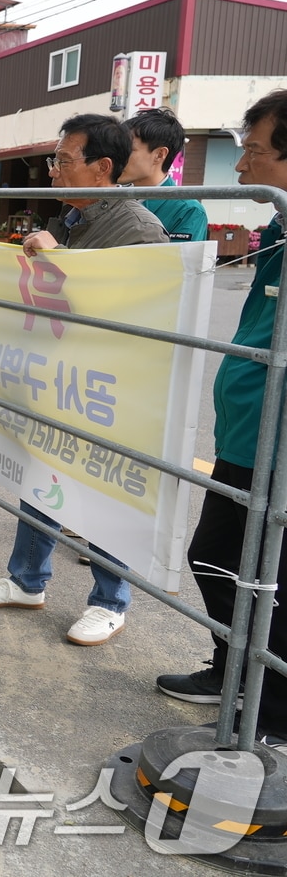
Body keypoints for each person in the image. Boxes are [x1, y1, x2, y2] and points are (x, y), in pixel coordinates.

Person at [0, 113, 169, 646]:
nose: (52, 170)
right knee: (41, 475)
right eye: (53, 159)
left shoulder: (139, 231)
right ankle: (26, 581)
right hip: (58, 381)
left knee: (103, 492)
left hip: (109, 390)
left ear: (102, 168)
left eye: (62, 160)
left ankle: (109, 601)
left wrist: (66, 265)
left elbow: (138, 316)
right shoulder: (71, 220)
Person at [156, 90, 287, 742]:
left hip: (279, 448)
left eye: (255, 152)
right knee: (215, 556)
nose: (241, 168)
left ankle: (271, 721)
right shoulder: (279, 230)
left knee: (270, 579)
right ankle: (231, 668)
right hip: (244, 434)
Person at [122, 107, 210, 243]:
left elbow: (177, 262)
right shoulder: (112, 199)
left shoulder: (187, 211)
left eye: (127, 149)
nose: (117, 157)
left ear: (159, 155)